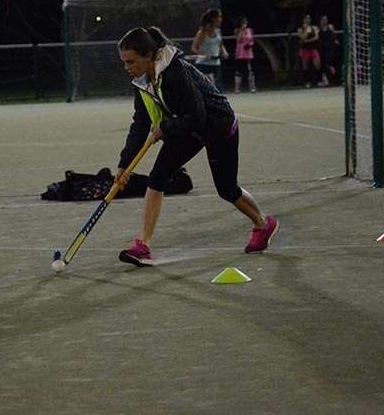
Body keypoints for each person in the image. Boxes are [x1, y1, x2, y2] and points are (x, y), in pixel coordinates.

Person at [115, 26, 279, 266]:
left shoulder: (175, 73)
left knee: (227, 190)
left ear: (148, 56)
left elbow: (198, 116)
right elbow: (140, 124)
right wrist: (124, 166)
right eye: (124, 62)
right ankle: (143, 246)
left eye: (131, 61)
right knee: (158, 175)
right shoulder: (141, 81)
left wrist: (166, 128)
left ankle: (264, 224)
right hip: (187, 128)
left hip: (217, 125)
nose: (127, 67)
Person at [191, 9, 229, 86]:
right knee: (210, 83)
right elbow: (194, 48)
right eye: (219, 17)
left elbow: (220, 45)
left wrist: (224, 52)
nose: (221, 19)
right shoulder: (203, 32)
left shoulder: (218, 31)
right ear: (213, 19)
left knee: (211, 87)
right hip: (203, 64)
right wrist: (204, 55)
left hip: (215, 64)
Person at [234, 16, 257, 93]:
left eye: (246, 22)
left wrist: (250, 45)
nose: (245, 23)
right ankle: (237, 88)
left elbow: (252, 40)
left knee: (250, 70)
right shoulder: (237, 30)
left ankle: (252, 87)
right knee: (239, 70)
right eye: (243, 22)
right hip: (240, 52)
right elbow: (239, 40)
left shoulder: (250, 30)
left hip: (248, 52)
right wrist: (242, 31)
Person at [297, 14, 321, 88]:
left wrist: (307, 41)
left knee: (318, 64)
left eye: (309, 18)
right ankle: (306, 82)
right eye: (306, 18)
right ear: (303, 20)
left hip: (313, 48)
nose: (308, 20)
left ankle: (319, 81)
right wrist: (306, 30)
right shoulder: (300, 29)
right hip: (305, 49)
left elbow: (316, 37)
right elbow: (303, 38)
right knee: (305, 66)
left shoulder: (314, 27)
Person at [317, 15, 338, 86]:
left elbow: (334, 35)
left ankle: (332, 74)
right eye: (323, 19)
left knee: (328, 62)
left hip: (330, 48)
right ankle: (325, 80)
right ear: (320, 21)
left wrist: (335, 40)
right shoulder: (318, 28)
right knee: (322, 63)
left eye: (326, 19)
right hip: (322, 48)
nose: (325, 21)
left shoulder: (330, 26)